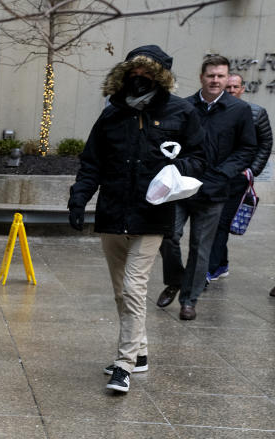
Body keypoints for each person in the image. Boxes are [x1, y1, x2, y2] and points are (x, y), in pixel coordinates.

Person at [69, 45, 205, 393]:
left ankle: (124, 365)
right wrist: (79, 198)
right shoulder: (112, 114)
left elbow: (199, 158)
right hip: (113, 213)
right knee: (120, 291)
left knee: (133, 287)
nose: (139, 81)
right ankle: (140, 353)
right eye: (133, 75)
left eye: (146, 76)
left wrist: (177, 166)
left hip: (152, 214)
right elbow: (92, 162)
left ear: (159, 78)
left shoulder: (181, 112)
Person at [156, 55, 256, 320]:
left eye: (221, 76)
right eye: (211, 75)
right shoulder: (183, 106)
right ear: (202, 77)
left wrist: (223, 174)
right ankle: (175, 279)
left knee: (201, 247)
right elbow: (169, 141)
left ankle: (189, 299)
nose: (215, 80)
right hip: (181, 187)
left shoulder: (239, 110)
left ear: (227, 79)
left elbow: (247, 148)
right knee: (168, 236)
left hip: (215, 189)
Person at [206, 73, 272, 282]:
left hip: (238, 179)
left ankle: (212, 268)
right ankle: (221, 264)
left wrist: (252, 170)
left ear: (243, 89)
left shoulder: (256, 112)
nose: (232, 90)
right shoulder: (215, 111)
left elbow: (265, 143)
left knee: (221, 222)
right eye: (229, 87)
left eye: (236, 87)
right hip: (216, 176)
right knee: (215, 222)